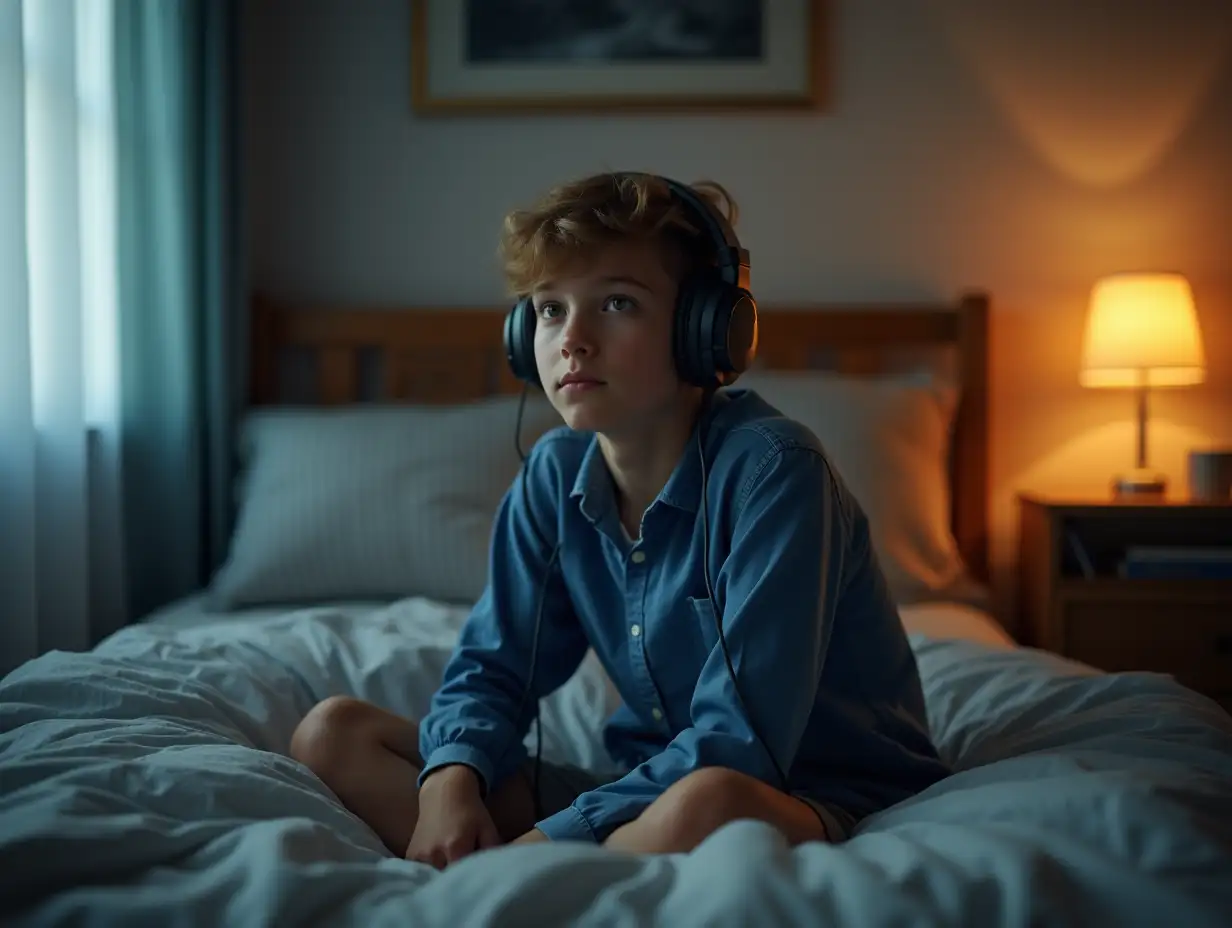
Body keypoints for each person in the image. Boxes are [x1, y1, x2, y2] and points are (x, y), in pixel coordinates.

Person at [289, 171, 950, 869]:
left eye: (615, 303)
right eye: (548, 311)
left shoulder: (776, 474)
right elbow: (494, 668)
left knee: (709, 801)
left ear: (706, 329)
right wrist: (452, 781)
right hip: (647, 786)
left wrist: (546, 839)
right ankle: (538, 875)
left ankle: (510, 879)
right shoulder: (553, 473)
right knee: (334, 733)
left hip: (809, 792)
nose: (572, 339)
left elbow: (738, 744)